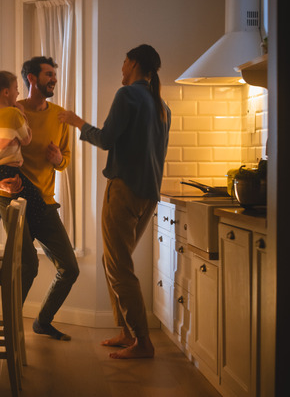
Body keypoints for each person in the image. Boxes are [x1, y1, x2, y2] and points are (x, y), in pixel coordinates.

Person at [58, 44, 171, 359]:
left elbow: (106, 139)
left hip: (123, 191)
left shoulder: (128, 96)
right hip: (149, 196)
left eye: (123, 62)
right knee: (116, 264)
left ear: (133, 63)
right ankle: (127, 332)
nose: (121, 68)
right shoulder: (162, 106)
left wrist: (77, 122)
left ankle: (143, 343)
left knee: (118, 267)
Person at [0, 56, 78, 341]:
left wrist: (59, 159)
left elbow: (64, 159)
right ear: (31, 79)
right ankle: (10, 327)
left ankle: (42, 321)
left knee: (70, 267)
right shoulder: (9, 113)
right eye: (48, 74)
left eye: (54, 74)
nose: (53, 79)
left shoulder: (59, 115)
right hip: (14, 200)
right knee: (28, 265)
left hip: (44, 201)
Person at [0, 66, 46, 242]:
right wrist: (23, 114)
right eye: (16, 89)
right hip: (8, 170)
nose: (18, 93)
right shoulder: (14, 114)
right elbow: (26, 139)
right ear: (6, 92)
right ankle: (28, 238)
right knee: (38, 204)